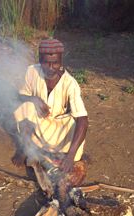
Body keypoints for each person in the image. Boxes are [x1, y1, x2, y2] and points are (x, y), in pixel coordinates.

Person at [12, 38, 88, 173]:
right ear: (40, 60)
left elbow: (83, 119)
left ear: (61, 62)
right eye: (46, 63)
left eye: (55, 63)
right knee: (27, 106)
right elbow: (19, 96)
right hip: (39, 124)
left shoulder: (70, 83)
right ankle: (26, 148)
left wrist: (70, 156)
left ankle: (55, 153)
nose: (51, 67)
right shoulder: (31, 71)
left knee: (75, 125)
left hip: (59, 129)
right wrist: (34, 99)